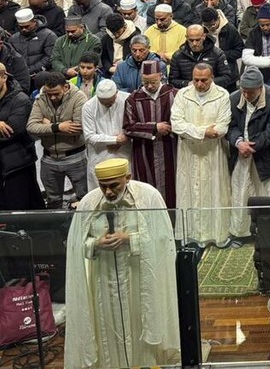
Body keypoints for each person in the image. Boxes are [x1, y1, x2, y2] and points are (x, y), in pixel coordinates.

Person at [64, 157, 180, 369]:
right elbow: (76, 245)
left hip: (139, 278)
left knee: (140, 324)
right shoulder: (89, 202)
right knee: (107, 330)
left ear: (128, 177)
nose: (108, 192)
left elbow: (163, 240)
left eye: (114, 185)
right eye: (103, 186)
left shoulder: (149, 197)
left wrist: (129, 239)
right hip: (103, 280)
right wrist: (96, 243)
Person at [171, 62, 232, 247]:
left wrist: (191, 130)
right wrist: (203, 132)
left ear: (212, 78)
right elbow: (176, 124)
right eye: (196, 80)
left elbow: (222, 127)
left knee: (215, 192)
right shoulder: (182, 95)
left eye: (204, 80)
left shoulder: (222, 95)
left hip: (213, 154)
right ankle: (191, 235)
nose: (199, 84)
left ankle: (217, 234)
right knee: (189, 192)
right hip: (189, 153)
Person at [228, 66, 270, 240]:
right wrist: (239, 143)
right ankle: (241, 233)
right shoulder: (234, 98)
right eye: (244, 91)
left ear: (260, 88)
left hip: (267, 157)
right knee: (241, 194)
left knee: (268, 195)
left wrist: (250, 147)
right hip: (241, 156)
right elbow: (230, 126)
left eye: (250, 92)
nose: (246, 95)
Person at [27, 71, 89, 208]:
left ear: (65, 87)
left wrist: (47, 124)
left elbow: (78, 128)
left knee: (84, 198)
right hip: (49, 158)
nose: (52, 97)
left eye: (56, 93)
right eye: (49, 94)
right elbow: (31, 127)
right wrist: (58, 127)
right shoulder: (41, 99)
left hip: (75, 156)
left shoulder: (79, 97)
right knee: (53, 201)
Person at [124, 60, 178, 207]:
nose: (149, 86)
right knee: (146, 189)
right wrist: (154, 127)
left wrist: (170, 128)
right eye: (145, 82)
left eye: (153, 82)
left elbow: (182, 120)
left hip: (170, 148)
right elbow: (128, 127)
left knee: (172, 186)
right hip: (143, 151)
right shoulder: (133, 99)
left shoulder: (173, 94)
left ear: (160, 76)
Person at [0, 61, 44, 210]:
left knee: (21, 209)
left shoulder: (21, 100)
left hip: (18, 165)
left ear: (4, 77)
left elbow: (11, 132)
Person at [82, 78, 131, 192]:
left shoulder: (128, 99)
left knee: (126, 191)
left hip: (124, 154)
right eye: (103, 102)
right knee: (100, 194)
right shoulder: (89, 106)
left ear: (116, 93)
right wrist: (115, 140)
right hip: (100, 156)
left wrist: (127, 136)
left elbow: (136, 124)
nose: (107, 104)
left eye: (110, 101)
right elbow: (89, 136)